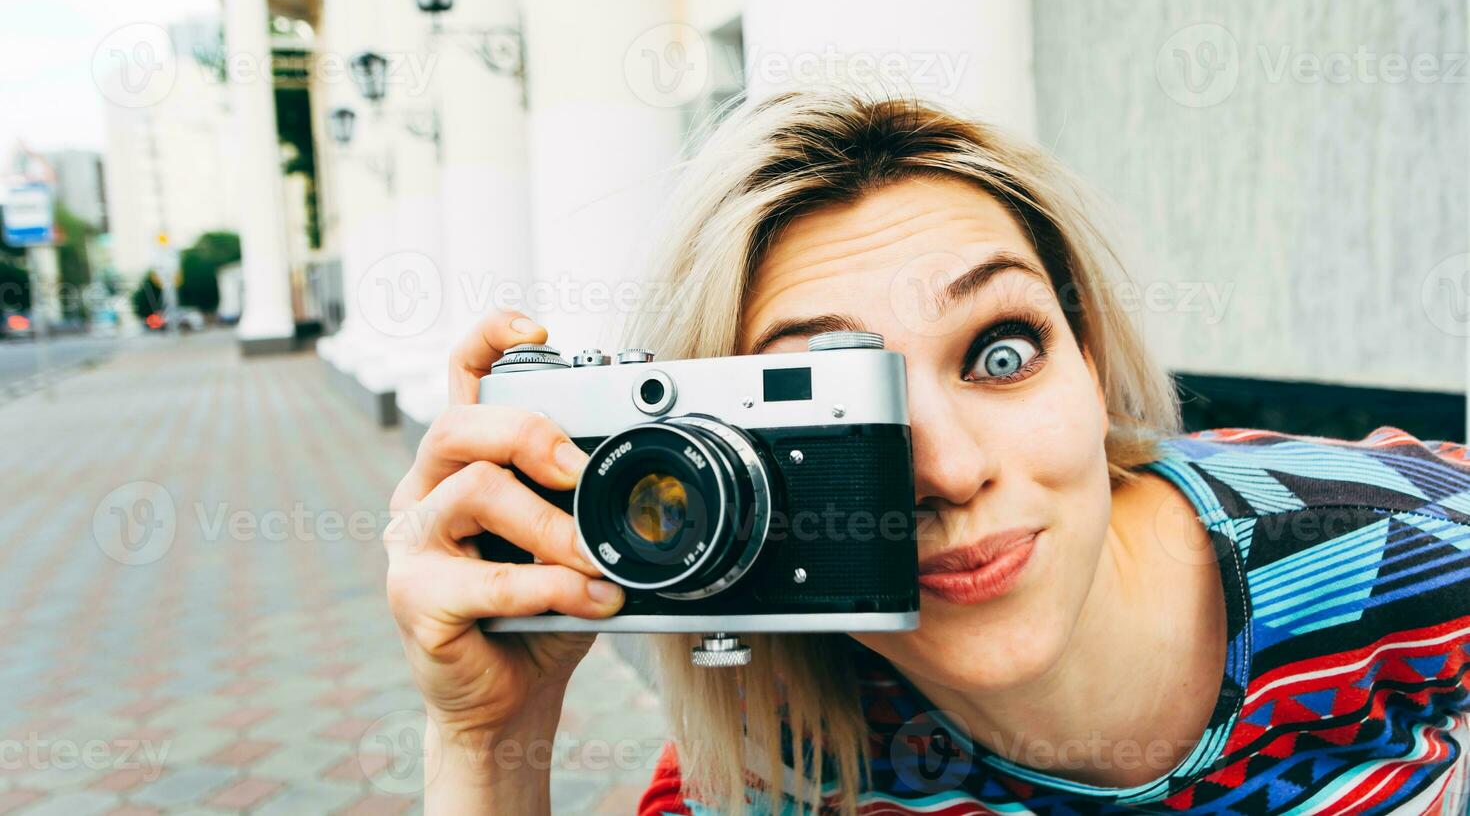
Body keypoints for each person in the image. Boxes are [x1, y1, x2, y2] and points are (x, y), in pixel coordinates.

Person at [382, 90, 1470, 814]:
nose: (946, 469)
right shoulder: (783, 755)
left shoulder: (1385, 548)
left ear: (1090, 360)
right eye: (837, 413)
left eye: (1000, 353)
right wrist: (486, 741)